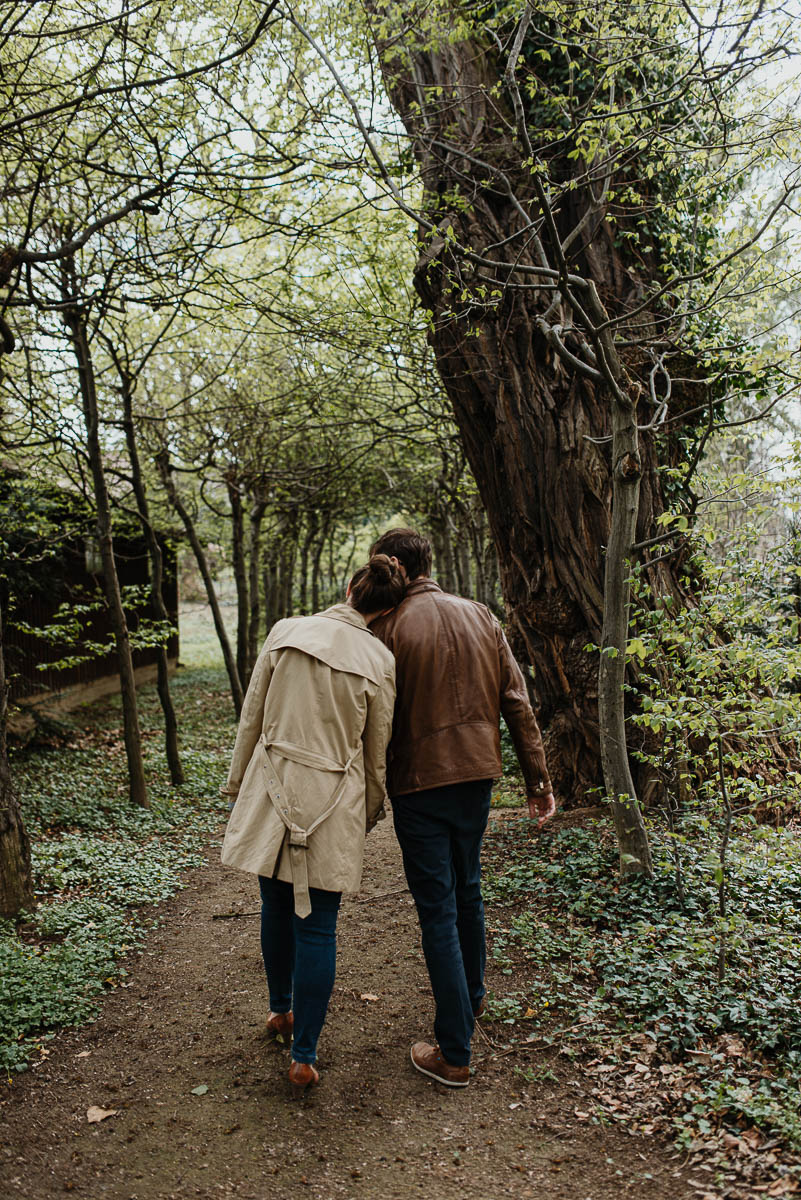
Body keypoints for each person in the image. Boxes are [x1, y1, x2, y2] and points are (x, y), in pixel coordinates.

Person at [369, 528, 555, 1088]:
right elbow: (517, 703)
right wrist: (538, 780)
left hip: (419, 785)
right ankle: (470, 1002)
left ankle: (454, 1051)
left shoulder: (386, 628)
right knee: (467, 888)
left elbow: (374, 715)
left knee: (438, 910)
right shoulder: (482, 616)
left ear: (391, 568)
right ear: (427, 563)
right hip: (477, 776)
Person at [220, 555, 404, 1098]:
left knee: (275, 905)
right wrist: (369, 810)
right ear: (387, 609)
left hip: (272, 787)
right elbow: (377, 751)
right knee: (319, 926)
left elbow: (251, 715)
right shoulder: (380, 658)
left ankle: (281, 1011)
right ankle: (304, 1056)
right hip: (332, 800)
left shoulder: (287, 631)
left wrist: (238, 785)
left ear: (349, 587)